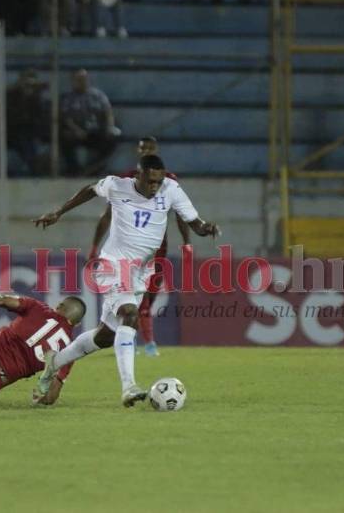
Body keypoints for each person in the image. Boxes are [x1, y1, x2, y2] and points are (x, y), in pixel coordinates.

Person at [33, 154, 220, 406]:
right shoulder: (117, 185)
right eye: (150, 181)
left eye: (159, 180)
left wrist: (207, 228)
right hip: (113, 265)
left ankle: (54, 361)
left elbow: (195, 223)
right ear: (138, 176)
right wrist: (58, 212)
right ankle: (128, 387)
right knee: (130, 314)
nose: (155, 186)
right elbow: (89, 190)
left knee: (105, 337)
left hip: (141, 271)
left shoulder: (171, 190)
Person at [88, 137, 190, 357]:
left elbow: (181, 214)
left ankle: (130, 338)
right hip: (125, 252)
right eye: (143, 148)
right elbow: (108, 214)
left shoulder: (169, 181)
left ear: (156, 150)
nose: (146, 151)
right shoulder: (125, 180)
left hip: (156, 251)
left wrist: (187, 242)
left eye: (150, 148)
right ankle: (144, 342)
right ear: (138, 151)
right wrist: (95, 245)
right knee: (132, 301)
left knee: (147, 298)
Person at [60, 69, 120, 175]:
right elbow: (65, 118)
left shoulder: (98, 95)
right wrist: (76, 130)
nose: (82, 82)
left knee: (113, 138)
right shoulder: (68, 98)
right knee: (63, 139)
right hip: (76, 132)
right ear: (73, 81)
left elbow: (107, 112)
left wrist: (109, 126)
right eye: (78, 79)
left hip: (95, 131)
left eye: (84, 79)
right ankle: (74, 170)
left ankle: (93, 168)